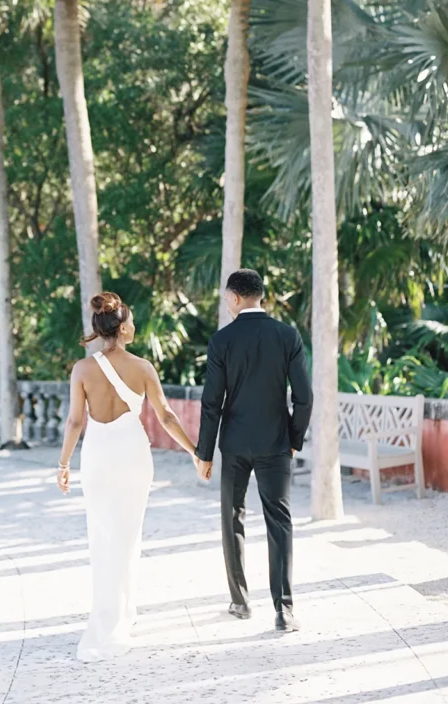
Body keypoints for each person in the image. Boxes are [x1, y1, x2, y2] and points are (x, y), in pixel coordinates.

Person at [56, 291, 198, 663]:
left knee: (102, 536)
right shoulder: (143, 368)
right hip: (133, 455)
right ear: (121, 327)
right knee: (128, 535)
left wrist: (63, 464)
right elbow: (166, 416)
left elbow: (74, 421)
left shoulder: (82, 370)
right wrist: (194, 451)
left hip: (99, 456)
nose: (134, 326)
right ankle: (124, 614)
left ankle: (109, 617)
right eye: (131, 321)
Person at [195, 269, 313, 633]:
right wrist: (293, 439)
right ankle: (284, 609)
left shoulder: (221, 341)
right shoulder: (286, 335)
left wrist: (205, 453)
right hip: (276, 443)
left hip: (233, 445)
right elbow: (304, 397)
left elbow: (212, 403)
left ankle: (241, 601)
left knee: (232, 519)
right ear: (260, 295)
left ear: (233, 298)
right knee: (280, 522)